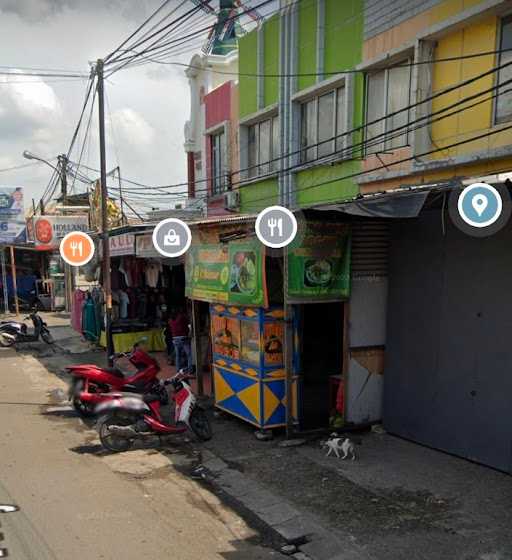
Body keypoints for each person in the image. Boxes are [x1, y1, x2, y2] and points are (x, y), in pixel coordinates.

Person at [167, 307, 192, 373]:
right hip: (183, 337)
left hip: (175, 339)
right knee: (189, 354)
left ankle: (178, 370)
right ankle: (190, 369)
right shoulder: (181, 317)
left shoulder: (170, 320)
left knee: (178, 355)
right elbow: (188, 324)